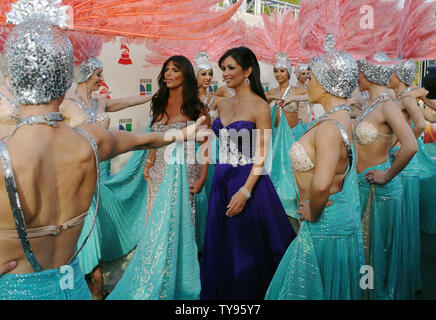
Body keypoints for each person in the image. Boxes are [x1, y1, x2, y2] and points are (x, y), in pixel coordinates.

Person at [0, 14, 205, 300]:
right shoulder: (90, 140)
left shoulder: (5, 156)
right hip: (74, 289)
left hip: (17, 289)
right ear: (65, 80)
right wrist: (188, 132)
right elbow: (147, 139)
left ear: (14, 80)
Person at [266, 34, 362, 300]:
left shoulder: (330, 127)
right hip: (330, 221)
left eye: (312, 76)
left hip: (325, 225)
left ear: (328, 83)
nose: (307, 81)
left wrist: (312, 208)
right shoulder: (339, 117)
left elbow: (321, 183)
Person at [107, 55, 210, 300]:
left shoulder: (197, 107)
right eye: (166, 70)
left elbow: (206, 145)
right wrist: (151, 159)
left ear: (185, 74)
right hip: (157, 173)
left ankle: (180, 275)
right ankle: (155, 270)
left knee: (181, 220)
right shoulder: (160, 103)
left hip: (185, 170)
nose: (168, 74)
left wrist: (203, 178)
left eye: (174, 70)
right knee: (156, 220)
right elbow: (155, 135)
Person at [200, 46, 296, 300]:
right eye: (223, 68)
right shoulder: (222, 103)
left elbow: (263, 153)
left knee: (245, 247)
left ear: (248, 70)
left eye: (231, 67)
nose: (225, 73)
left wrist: (245, 190)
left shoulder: (259, 106)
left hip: (249, 181)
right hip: (222, 178)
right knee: (221, 245)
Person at [59, 55, 155, 300]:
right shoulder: (66, 104)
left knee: (98, 223)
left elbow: (127, 101)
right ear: (86, 75)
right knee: (83, 224)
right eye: (98, 74)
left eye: (102, 74)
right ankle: (90, 276)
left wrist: (153, 96)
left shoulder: (99, 101)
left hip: (102, 172)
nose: (102, 79)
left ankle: (93, 275)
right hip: (78, 173)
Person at [355, 52, 418, 299]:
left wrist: (387, 174)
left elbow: (411, 145)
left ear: (369, 73)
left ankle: (376, 294)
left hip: (377, 191)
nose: (356, 76)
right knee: (365, 250)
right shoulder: (371, 103)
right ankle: (367, 293)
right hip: (362, 186)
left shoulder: (387, 105)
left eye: (359, 71)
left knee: (375, 252)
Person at [388, 59, 426, 293]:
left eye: (391, 73)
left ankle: (403, 279)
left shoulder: (406, 97)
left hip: (405, 165)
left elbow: (421, 124)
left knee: (405, 222)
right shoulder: (398, 97)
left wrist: (402, 143)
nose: (387, 75)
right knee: (402, 222)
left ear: (399, 76)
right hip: (400, 161)